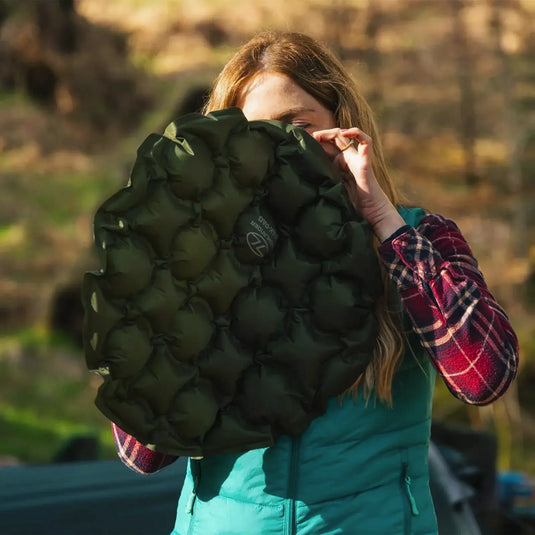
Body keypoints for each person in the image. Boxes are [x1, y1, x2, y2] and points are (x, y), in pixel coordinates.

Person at [110, 31, 519, 534]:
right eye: (254, 136)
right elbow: (140, 453)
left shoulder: (416, 238)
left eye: (298, 128)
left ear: (343, 130)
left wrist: (382, 220)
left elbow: (485, 376)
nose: (278, 151)